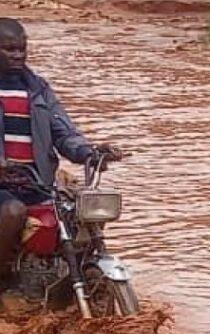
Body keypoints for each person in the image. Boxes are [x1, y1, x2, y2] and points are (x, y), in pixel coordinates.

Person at [0, 17, 123, 285]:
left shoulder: (38, 89)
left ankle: (69, 275)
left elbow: (63, 132)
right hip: (3, 187)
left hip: (36, 181)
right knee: (12, 212)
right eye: (9, 49)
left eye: (22, 48)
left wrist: (90, 152)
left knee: (76, 212)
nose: (18, 55)